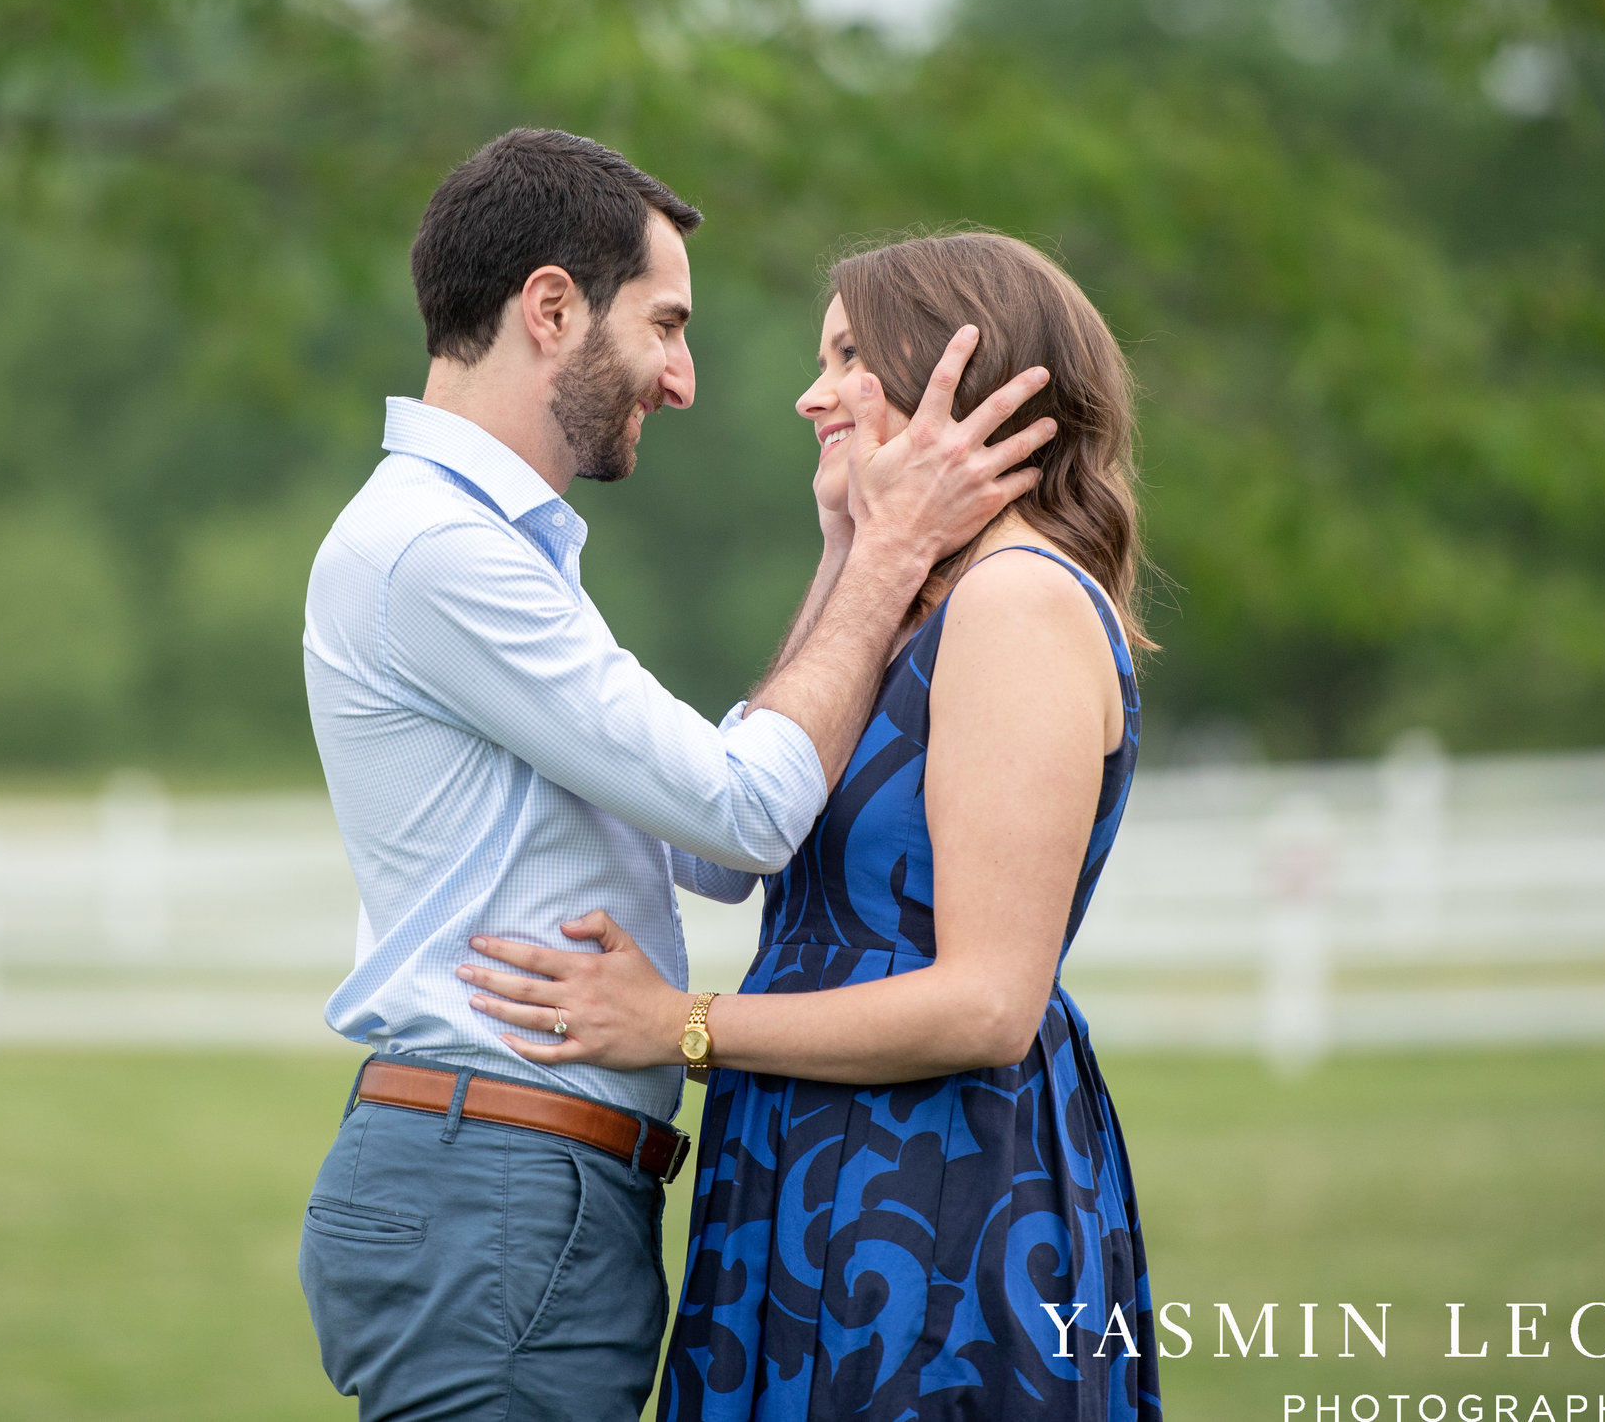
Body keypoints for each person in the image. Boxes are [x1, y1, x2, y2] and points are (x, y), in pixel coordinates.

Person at [297, 133, 1058, 1421]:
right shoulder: (439, 549)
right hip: (498, 1177)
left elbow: (705, 841)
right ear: (550, 309)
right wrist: (891, 555)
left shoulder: (494, 545)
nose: (685, 378)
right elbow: (744, 814)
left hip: (523, 1179)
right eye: (665, 323)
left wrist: (843, 550)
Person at [458, 231, 1164, 1422]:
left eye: (845, 355)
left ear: (958, 375)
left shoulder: (1015, 601)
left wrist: (676, 1026)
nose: (810, 392)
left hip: (935, 1181)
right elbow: (756, 809)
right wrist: (851, 545)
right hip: (814, 1149)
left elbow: (988, 1002)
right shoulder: (909, 604)